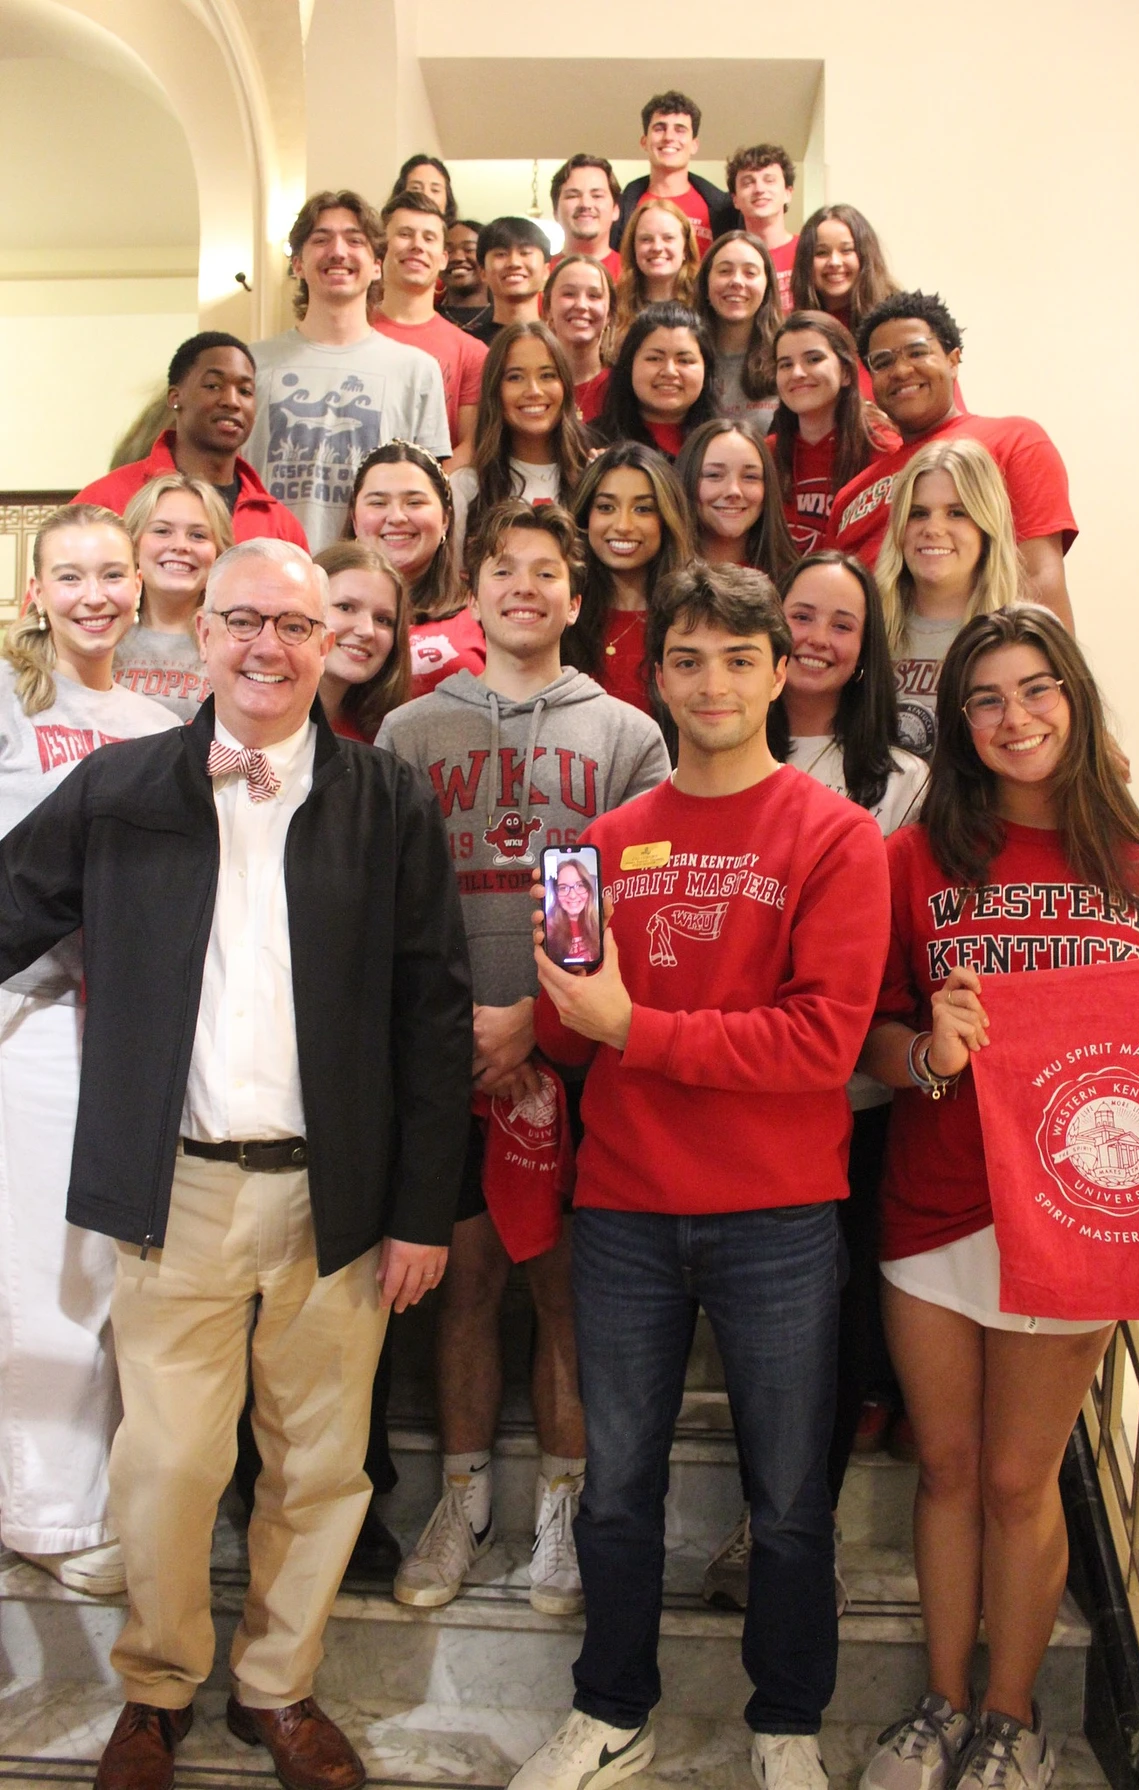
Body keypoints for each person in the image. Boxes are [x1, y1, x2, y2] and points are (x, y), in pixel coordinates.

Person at [0, 533, 474, 1790]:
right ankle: (153, 1691)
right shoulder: (120, 790)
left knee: (320, 1465)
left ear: (332, 645)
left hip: (343, 1198)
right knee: (167, 1464)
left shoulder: (386, 802)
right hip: (178, 1190)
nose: (268, 648)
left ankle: (278, 1685)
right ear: (200, 633)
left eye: (295, 626)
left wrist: (425, 1209)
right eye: (242, 622)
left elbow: (434, 1012)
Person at [510, 560, 890, 1790]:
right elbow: (575, 1043)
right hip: (623, 1209)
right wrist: (561, 982)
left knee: (786, 1499)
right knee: (618, 1488)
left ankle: (786, 1725)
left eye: (740, 657)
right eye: (688, 658)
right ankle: (613, 1708)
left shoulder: (835, 837)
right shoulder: (611, 841)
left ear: (782, 673)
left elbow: (822, 1044)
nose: (713, 681)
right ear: (655, 675)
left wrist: (632, 1023)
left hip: (779, 1215)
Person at [857, 604, 1139, 1790]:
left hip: (1076, 1221)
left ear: (1078, 695)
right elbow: (873, 1040)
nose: (1016, 717)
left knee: (1017, 1477)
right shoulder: (916, 859)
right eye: (986, 699)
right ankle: (943, 1699)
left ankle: (1014, 1712)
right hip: (936, 1202)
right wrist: (930, 1053)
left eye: (1037, 688)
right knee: (946, 1468)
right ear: (958, 725)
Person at [378, 499, 669, 1619]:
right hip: (448, 1063)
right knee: (465, 1285)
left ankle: (563, 1510)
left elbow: (628, 912)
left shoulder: (625, 734)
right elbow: (400, 912)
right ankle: (462, 1502)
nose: (525, 588)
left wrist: (535, 1027)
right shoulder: (412, 732)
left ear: (575, 598)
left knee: (567, 1295)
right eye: (504, 570)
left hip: (572, 1063)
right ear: (475, 589)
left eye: (548, 573)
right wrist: (458, 1031)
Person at [703, 550, 928, 1613]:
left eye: (847, 623)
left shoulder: (902, 778)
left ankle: (793, 1521)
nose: (826, 640)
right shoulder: (710, 745)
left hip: (858, 1105)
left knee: (830, 1325)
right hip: (737, 1103)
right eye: (807, 616)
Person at [0, 505, 179, 1604]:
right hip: (24, 1016)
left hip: (119, 1026)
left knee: (100, 1266)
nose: (97, 593)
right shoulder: (9, 706)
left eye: (113, 572)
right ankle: (45, 1512)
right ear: (36, 592)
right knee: (37, 1267)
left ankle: (84, 1494)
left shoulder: (160, 720)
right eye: (72, 575)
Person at [829, 292, 1075, 625]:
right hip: (878, 668)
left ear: (953, 360)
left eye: (917, 352)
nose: (901, 370)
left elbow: (1039, 580)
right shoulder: (850, 496)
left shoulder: (1013, 441)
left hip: (975, 661)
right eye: (883, 361)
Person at [243, 189, 450, 552]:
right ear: (297, 264)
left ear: (375, 266)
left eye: (354, 240)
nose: (338, 252)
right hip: (267, 571)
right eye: (321, 240)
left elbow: (427, 496)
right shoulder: (251, 364)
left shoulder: (417, 370)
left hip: (373, 578)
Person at [75, 333, 309, 548]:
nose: (232, 401)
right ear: (175, 397)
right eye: (213, 386)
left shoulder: (280, 525)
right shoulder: (105, 501)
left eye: (245, 391)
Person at [873, 437, 1026, 759]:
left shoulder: (1024, 636)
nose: (933, 528)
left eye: (956, 513)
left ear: (986, 525)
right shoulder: (864, 628)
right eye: (918, 513)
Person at [346, 440, 486, 697]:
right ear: (354, 519)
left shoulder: (483, 605)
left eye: (414, 502)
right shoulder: (317, 605)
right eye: (378, 503)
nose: (397, 517)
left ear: (445, 519)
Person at [565, 441, 694, 711]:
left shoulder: (694, 618)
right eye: (606, 507)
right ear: (585, 517)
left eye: (643, 509)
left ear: (667, 518)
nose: (623, 525)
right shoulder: (561, 616)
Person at [449, 321, 590, 570]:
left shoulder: (593, 476)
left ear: (565, 386)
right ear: (495, 390)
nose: (534, 391)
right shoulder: (466, 487)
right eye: (515, 377)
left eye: (547, 375)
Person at [771, 312, 900, 555]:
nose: (797, 373)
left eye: (813, 359)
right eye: (785, 364)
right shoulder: (764, 455)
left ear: (846, 373)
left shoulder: (885, 450)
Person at [374, 188, 487, 463]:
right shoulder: (351, 334)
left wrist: (423, 492)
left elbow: (470, 446)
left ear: (443, 258)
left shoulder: (471, 352)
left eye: (429, 237)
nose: (417, 245)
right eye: (404, 234)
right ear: (380, 248)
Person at [114, 473, 234, 719]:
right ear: (133, 545)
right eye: (162, 531)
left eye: (198, 535)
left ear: (219, 553)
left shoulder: (234, 641)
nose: (181, 545)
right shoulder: (103, 632)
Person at [611, 90, 735, 259]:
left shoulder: (724, 209)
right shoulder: (622, 209)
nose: (669, 137)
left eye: (680, 130)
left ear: (694, 145)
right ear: (644, 142)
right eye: (659, 128)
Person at [676, 420, 796, 594]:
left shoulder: (794, 584)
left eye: (750, 477)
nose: (734, 491)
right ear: (686, 480)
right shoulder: (656, 579)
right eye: (714, 475)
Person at [791, 205, 899, 396]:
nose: (834, 262)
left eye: (846, 250)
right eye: (821, 253)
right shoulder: (794, 332)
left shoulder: (899, 323)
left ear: (865, 255)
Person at [593, 302, 716, 460]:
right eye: (654, 358)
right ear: (629, 365)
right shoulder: (591, 443)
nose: (670, 371)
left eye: (684, 360)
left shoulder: (722, 444)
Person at [314, 539, 410, 741]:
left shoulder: (386, 738)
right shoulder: (256, 722)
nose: (367, 631)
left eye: (383, 620)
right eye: (345, 607)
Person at [697, 231, 784, 433]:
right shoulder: (685, 357)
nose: (736, 282)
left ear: (767, 287)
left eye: (750, 273)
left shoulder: (785, 357)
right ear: (706, 283)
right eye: (725, 271)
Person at [543, 254, 616, 424]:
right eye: (569, 294)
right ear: (547, 308)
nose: (581, 305)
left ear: (610, 314)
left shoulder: (624, 387)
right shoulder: (533, 386)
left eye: (594, 296)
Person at [614, 199, 701, 340]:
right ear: (633, 247)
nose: (657, 247)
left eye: (668, 238)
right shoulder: (614, 305)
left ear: (685, 248)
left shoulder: (705, 303)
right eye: (646, 239)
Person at [726, 145, 798, 310]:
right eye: (748, 183)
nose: (759, 189)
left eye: (769, 180)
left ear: (788, 193)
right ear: (735, 199)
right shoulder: (724, 257)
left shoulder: (808, 251)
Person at [464, 217, 551, 348]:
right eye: (501, 254)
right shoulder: (468, 344)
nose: (514, 263)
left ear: (546, 270)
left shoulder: (560, 341)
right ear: (483, 272)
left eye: (525, 253)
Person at [551, 155, 623, 280]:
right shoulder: (538, 277)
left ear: (615, 209)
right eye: (573, 196)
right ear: (555, 211)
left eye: (597, 196)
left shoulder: (634, 276)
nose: (585, 204)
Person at [439, 219, 489, 331]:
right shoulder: (423, 318)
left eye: (469, 249)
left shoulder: (504, 320)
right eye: (448, 250)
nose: (457, 257)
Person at [391, 152, 457, 225]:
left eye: (435, 190)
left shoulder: (458, 234)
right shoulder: (385, 234)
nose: (426, 195)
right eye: (416, 188)